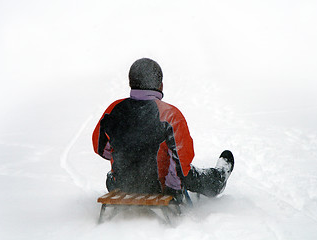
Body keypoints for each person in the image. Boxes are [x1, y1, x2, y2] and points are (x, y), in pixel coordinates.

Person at [92, 58, 234, 199]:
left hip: (121, 184)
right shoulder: (169, 115)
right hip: (161, 188)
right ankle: (217, 178)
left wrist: (128, 154)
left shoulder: (113, 110)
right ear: (161, 85)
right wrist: (172, 190)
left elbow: (101, 148)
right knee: (190, 173)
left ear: (130, 83)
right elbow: (181, 162)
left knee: (114, 174)